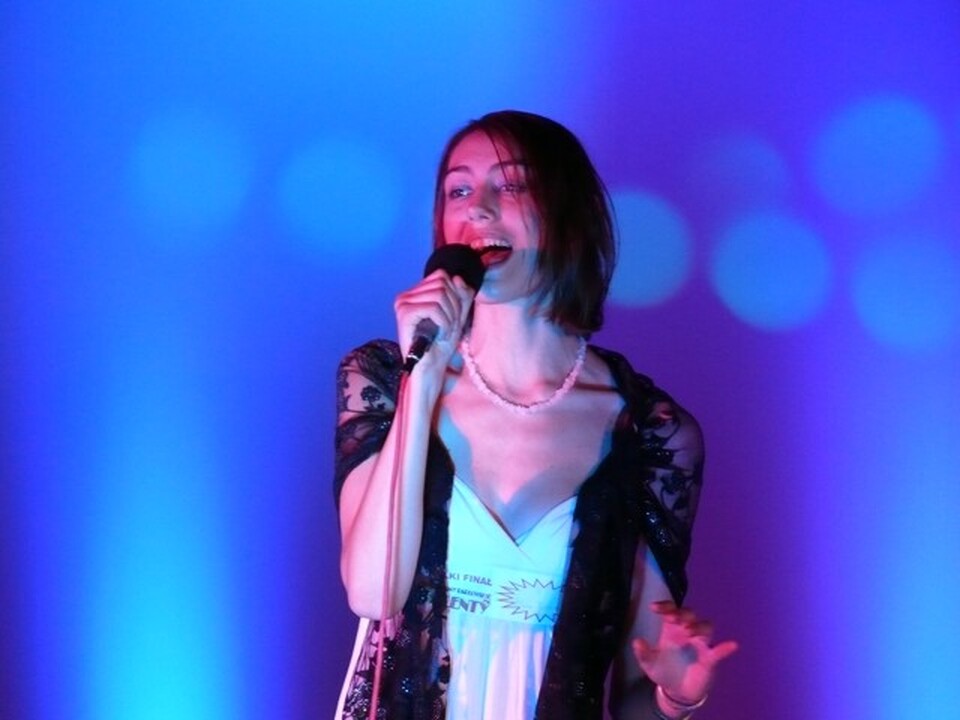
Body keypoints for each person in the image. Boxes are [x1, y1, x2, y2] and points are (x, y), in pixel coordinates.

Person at [334, 110, 737, 720]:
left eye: (512, 185)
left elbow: (638, 689)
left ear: (568, 211)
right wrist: (426, 374)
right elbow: (374, 593)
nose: (479, 209)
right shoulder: (387, 379)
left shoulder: (648, 435)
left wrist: (678, 695)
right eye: (459, 191)